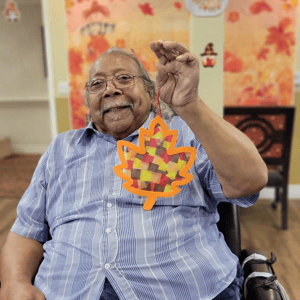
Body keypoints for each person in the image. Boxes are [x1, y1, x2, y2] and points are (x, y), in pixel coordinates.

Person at [0, 41, 268, 300]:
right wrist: (15, 282)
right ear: (89, 101)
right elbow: (26, 229)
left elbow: (250, 180)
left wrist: (190, 105)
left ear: (151, 94)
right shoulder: (61, 148)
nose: (110, 90)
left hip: (188, 289)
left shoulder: (186, 135)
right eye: (97, 84)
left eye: (124, 78)